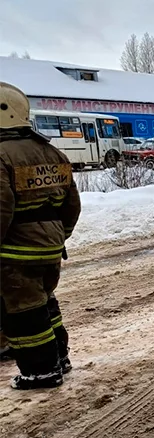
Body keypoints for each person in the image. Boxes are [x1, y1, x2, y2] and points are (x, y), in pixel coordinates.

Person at [0, 81, 82, 389]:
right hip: (49, 247)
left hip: (14, 251)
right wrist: (58, 236)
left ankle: (41, 371)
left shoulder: (1, 155)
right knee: (44, 302)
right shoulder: (51, 152)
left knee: (22, 312)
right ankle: (60, 357)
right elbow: (72, 204)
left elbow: (1, 208)